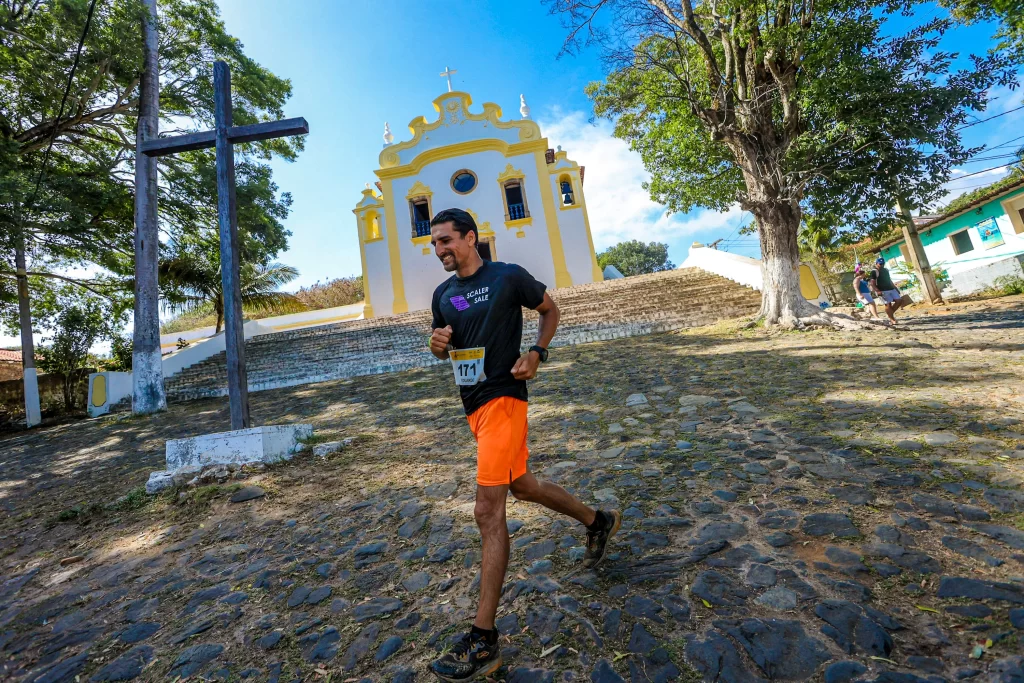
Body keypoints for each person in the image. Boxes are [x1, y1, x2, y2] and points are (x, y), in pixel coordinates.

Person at [425, 208, 621, 681]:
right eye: (434, 244)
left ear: (471, 238)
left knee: (487, 512)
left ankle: (483, 639)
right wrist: (438, 343)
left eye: (447, 240)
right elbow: (446, 344)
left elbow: (550, 310)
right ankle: (598, 521)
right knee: (524, 487)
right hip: (474, 408)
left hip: (505, 401)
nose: (440, 250)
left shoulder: (508, 277)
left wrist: (537, 352)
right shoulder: (442, 294)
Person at [869, 256, 903, 324]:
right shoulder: (874, 271)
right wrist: (877, 290)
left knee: (899, 300)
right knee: (888, 304)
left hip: (890, 288)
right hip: (882, 290)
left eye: (883, 264)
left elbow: (889, 280)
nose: (882, 265)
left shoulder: (886, 270)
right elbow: (872, 283)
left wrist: (896, 288)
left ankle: (890, 313)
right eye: (880, 264)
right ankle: (892, 319)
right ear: (876, 263)